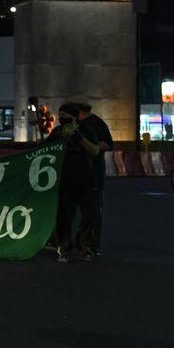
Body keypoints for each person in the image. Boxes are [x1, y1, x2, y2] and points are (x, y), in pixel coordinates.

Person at [48, 103, 102, 262]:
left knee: (91, 215)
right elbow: (44, 150)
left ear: (75, 117)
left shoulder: (86, 131)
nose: (63, 118)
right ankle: (64, 249)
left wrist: (79, 138)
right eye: (60, 115)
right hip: (64, 182)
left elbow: (95, 151)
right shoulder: (57, 132)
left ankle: (84, 246)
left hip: (86, 181)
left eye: (67, 116)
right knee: (64, 218)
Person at [69, 95, 113, 255]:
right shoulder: (71, 125)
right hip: (72, 175)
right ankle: (66, 242)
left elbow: (108, 144)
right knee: (68, 211)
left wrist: (89, 144)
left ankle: (91, 244)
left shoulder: (96, 124)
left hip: (93, 175)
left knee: (92, 212)